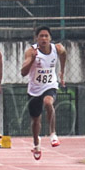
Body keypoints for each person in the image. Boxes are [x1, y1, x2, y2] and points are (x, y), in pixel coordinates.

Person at [20, 26, 67, 160]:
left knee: (48, 102)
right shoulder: (31, 52)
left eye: (46, 36)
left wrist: (62, 72)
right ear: (36, 38)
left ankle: (53, 134)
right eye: (41, 36)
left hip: (50, 84)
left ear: (50, 38)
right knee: (35, 121)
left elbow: (64, 55)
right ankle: (36, 144)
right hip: (34, 89)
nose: (44, 39)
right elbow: (23, 72)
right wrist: (32, 60)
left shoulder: (57, 48)